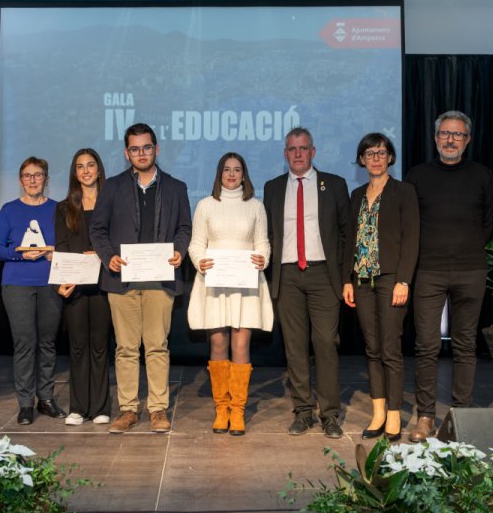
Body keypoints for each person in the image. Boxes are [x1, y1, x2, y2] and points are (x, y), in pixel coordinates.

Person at [90, 123, 192, 434]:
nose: (141, 153)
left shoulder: (176, 187)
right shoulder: (113, 187)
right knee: (125, 348)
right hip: (122, 281)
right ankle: (128, 409)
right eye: (135, 149)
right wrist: (109, 256)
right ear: (126, 153)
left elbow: (184, 229)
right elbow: (98, 230)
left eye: (147, 147)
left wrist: (179, 251)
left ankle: (158, 409)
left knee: (157, 346)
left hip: (161, 279)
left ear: (156, 149)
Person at [403, 110, 493, 442]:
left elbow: (488, 224)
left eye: (457, 135)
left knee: (465, 345)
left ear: (467, 140)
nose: (450, 140)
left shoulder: (482, 175)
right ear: (435, 138)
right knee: (426, 346)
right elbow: (410, 224)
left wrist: (467, 249)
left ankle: (461, 414)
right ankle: (425, 416)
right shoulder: (417, 176)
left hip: (470, 271)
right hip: (428, 271)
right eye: (444, 133)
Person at [264, 127, 350, 439]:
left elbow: (345, 234)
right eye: (292, 149)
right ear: (285, 154)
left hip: (323, 275)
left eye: (303, 148)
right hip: (287, 275)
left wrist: (345, 278)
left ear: (313, 151)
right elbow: (269, 236)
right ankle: (302, 411)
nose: (297, 154)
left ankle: (329, 415)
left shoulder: (335, 185)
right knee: (295, 346)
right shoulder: (272, 188)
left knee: (326, 343)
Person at [187, 152, 273, 436]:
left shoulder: (255, 207)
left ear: (244, 175)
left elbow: (263, 243)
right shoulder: (205, 205)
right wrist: (200, 261)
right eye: (227, 169)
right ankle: (220, 409)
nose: (232, 174)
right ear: (219, 174)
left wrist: (262, 258)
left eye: (237, 170)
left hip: (246, 283)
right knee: (218, 343)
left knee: (241, 344)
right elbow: (196, 244)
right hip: (215, 282)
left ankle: (238, 410)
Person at [341, 133, 418, 442]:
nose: (375, 157)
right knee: (372, 349)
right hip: (361, 280)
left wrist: (403, 280)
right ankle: (378, 413)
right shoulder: (357, 193)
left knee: (390, 349)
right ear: (362, 159)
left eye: (381, 152)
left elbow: (411, 239)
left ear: (390, 157)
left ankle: (395, 416)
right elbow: (350, 239)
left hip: (389, 280)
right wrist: (347, 278)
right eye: (369, 153)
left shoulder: (403, 192)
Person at [0, 157, 66, 425]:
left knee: (47, 343)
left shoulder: (58, 209)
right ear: (20, 180)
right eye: (27, 175)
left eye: (38, 175)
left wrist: (55, 253)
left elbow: (69, 245)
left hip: (50, 283)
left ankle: (45, 398)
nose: (33, 180)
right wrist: (23, 255)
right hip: (17, 284)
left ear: (46, 178)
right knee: (25, 344)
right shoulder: (9, 210)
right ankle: (25, 403)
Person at [55, 149, 112, 426]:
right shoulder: (64, 208)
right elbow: (62, 247)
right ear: (74, 173)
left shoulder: (112, 204)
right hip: (75, 286)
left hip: (103, 284)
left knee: (100, 346)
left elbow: (113, 245)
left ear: (99, 169)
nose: (86, 171)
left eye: (91, 165)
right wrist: (64, 281)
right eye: (80, 166)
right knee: (77, 347)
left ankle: (101, 408)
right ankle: (77, 407)